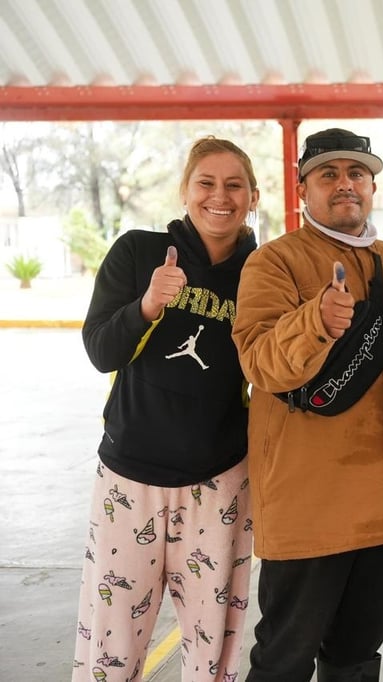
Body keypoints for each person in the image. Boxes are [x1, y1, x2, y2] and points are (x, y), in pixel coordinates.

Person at [232, 128, 383, 682]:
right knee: (284, 660)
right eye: (329, 174)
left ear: (372, 186)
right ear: (303, 190)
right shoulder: (274, 263)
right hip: (309, 511)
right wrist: (315, 322)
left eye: (357, 173)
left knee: (356, 658)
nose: (345, 184)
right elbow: (262, 363)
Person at [74, 136, 259, 681]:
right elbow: (100, 350)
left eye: (234, 185)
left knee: (213, 651)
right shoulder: (137, 251)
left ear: (252, 196)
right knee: (110, 645)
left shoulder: (263, 271)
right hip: (130, 480)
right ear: (185, 190)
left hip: (219, 482)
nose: (219, 197)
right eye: (206, 182)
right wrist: (148, 305)